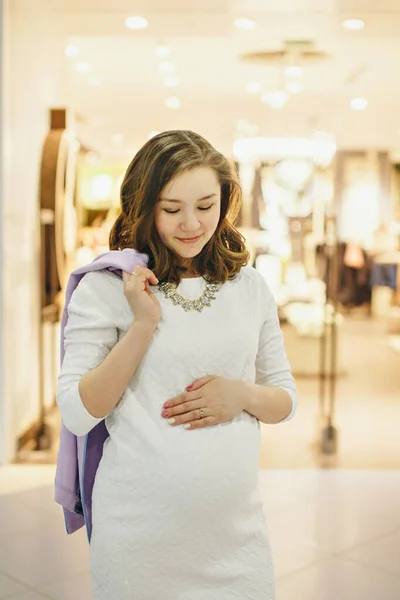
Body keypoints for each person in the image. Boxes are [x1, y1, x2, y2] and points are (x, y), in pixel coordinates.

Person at [56, 130, 297, 600]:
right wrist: (143, 326)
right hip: (138, 541)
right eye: (171, 209)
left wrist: (242, 395)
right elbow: (78, 412)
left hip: (236, 540)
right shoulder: (108, 289)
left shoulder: (249, 287)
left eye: (206, 206)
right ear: (142, 206)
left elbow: (284, 399)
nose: (191, 223)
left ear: (224, 203)